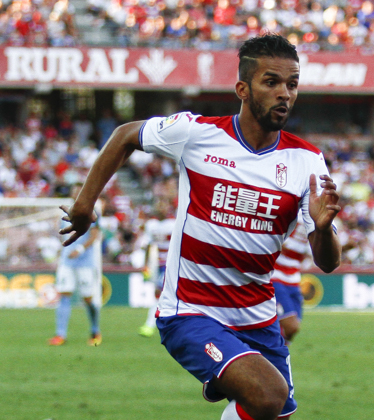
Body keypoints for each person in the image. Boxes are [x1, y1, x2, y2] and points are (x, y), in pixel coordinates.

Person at [59, 34, 341, 420]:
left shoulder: (307, 161)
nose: (284, 94)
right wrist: (83, 204)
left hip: (258, 316)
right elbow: (125, 135)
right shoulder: (196, 133)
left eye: (292, 84)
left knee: (272, 412)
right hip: (190, 311)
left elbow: (327, 263)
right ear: (242, 88)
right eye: (271, 82)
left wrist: (323, 230)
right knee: (269, 395)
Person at [49, 184, 102, 346]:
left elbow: (95, 235)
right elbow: (62, 235)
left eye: (79, 191)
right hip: (67, 262)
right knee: (64, 295)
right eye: (74, 191)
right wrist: (61, 253)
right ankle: (60, 335)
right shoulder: (63, 213)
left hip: (85, 262)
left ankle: (95, 331)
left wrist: (79, 249)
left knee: (87, 298)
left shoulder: (91, 211)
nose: (76, 194)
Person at [271, 212, 310, 345]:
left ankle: (275, 356)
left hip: (293, 280)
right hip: (276, 277)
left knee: (292, 331)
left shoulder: (319, 222)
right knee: (291, 326)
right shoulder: (292, 213)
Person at [139, 200, 176, 337]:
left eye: (163, 205)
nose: (160, 207)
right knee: (160, 293)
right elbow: (148, 245)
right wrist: (145, 264)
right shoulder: (151, 225)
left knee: (160, 293)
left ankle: (149, 325)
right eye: (158, 204)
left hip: (171, 264)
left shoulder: (173, 224)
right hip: (158, 264)